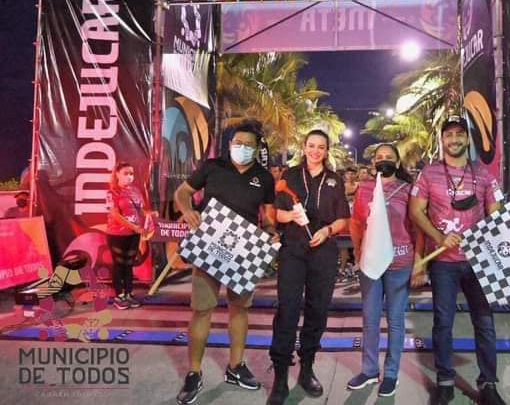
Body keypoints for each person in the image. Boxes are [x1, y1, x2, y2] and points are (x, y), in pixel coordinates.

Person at [174, 121, 278, 405]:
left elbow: (268, 216)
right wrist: (188, 211)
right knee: (202, 309)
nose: (242, 148)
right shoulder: (212, 167)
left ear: (257, 148)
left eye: (248, 144)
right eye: (237, 143)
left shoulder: (264, 178)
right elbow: (182, 193)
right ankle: (194, 373)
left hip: (244, 251)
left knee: (240, 309)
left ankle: (235, 366)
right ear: (229, 144)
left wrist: (270, 231)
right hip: (209, 246)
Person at [409, 116, 505, 405]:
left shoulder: (484, 174)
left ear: (467, 139)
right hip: (444, 263)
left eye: (459, 134)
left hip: (478, 261)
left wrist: (481, 235)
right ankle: (445, 381)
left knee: (485, 323)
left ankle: (488, 384)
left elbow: (496, 213)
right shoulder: (429, 173)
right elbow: (416, 212)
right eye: (449, 135)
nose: (454, 139)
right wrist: (440, 238)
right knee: (443, 323)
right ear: (442, 140)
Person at [267, 129, 351, 405]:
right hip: (293, 251)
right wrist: (291, 215)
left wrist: (327, 231)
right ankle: (280, 376)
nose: (316, 151)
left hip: (323, 252)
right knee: (288, 309)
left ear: (327, 151)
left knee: (317, 310)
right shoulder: (290, 176)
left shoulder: (335, 180)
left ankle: (306, 369)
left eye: (321, 147)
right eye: (311, 145)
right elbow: (275, 213)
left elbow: (343, 219)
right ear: (304, 147)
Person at [346, 144, 426, 397]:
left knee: (395, 320)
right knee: (370, 319)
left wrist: (419, 263)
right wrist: (357, 251)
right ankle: (369, 370)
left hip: (400, 263)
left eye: (389, 158)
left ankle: (391, 374)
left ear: (397, 162)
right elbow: (356, 223)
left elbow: (418, 229)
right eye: (379, 158)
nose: (384, 161)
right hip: (371, 265)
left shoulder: (409, 190)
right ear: (373, 163)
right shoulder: (364, 189)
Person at [106, 162, 152, 310]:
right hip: (116, 234)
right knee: (119, 264)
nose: (129, 177)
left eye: (131, 174)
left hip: (134, 235)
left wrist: (151, 215)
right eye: (126, 173)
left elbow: (141, 210)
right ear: (117, 174)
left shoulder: (136, 191)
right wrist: (134, 227)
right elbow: (115, 215)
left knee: (129, 264)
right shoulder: (112, 192)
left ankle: (129, 293)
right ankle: (118, 296)